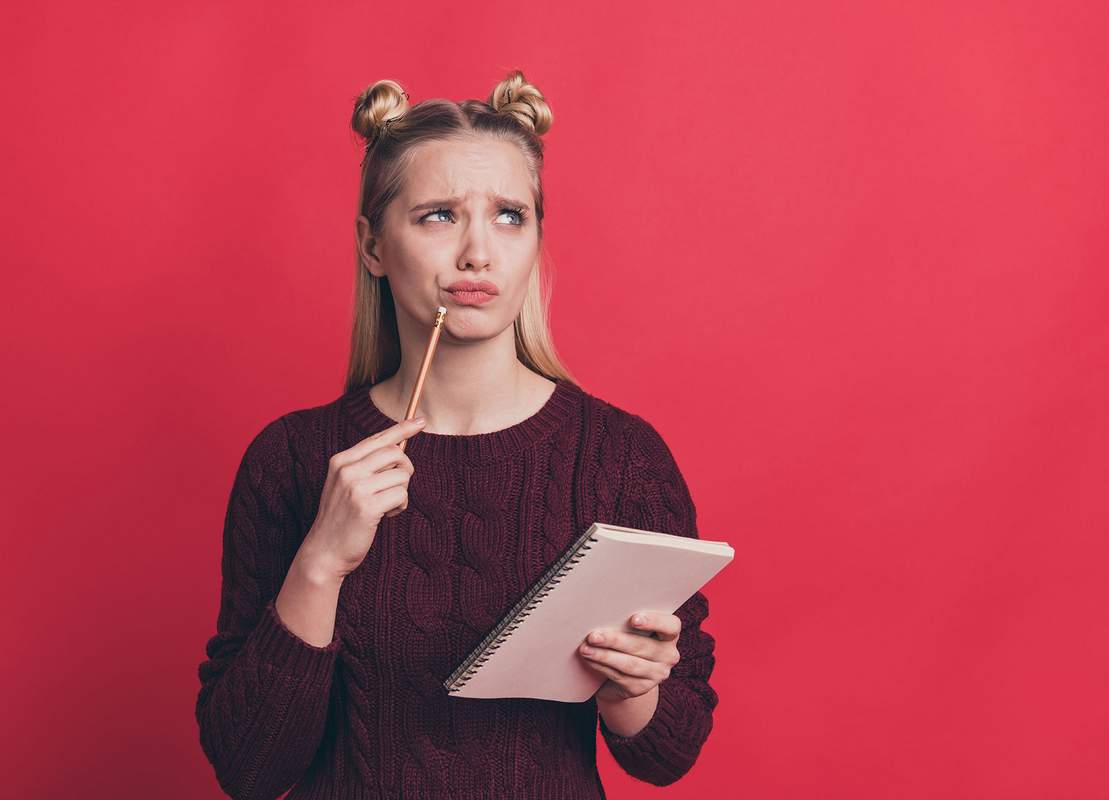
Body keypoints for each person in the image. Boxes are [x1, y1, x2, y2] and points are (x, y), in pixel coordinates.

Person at [195, 70, 719, 800]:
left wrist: (630, 686)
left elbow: (670, 753)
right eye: (439, 215)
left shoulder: (619, 458)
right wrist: (319, 563)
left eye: (509, 216)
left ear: (536, 240)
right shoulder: (291, 459)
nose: (478, 253)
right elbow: (248, 770)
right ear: (373, 246)